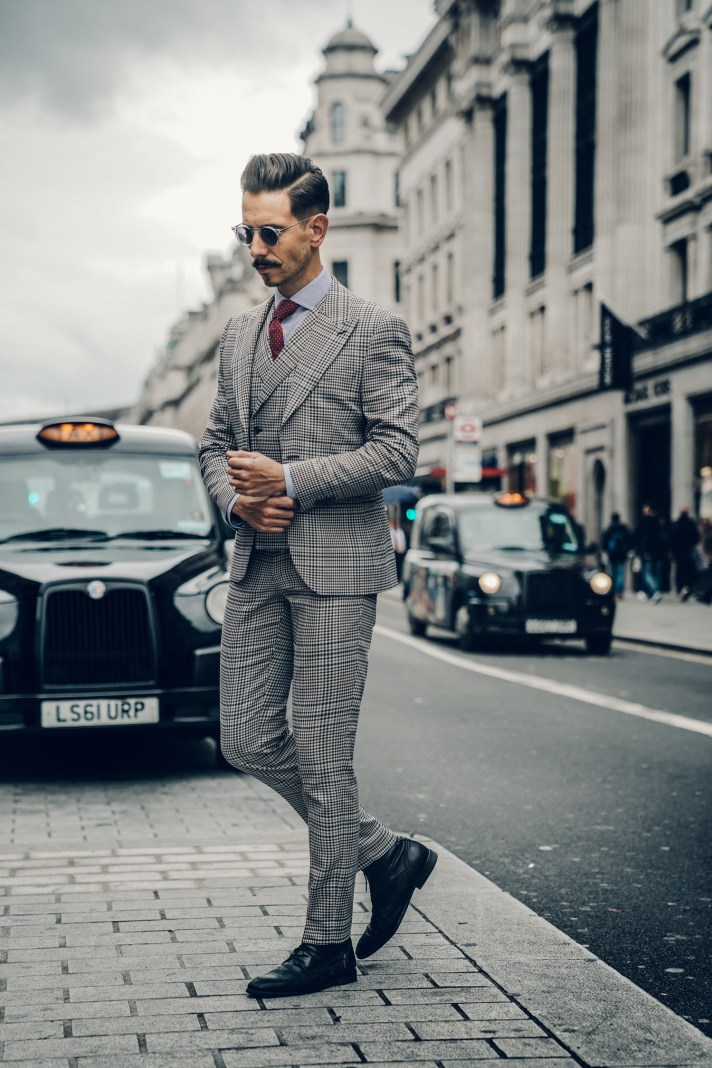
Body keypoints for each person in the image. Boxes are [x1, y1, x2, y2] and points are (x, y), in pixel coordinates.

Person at [199, 153, 436, 1000]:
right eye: (246, 231)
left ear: (316, 229)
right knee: (245, 738)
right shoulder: (236, 334)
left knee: (326, 757)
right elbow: (211, 442)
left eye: (270, 231)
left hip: (337, 567)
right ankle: (386, 854)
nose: (256, 246)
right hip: (258, 563)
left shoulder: (373, 327)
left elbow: (400, 450)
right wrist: (239, 502)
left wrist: (291, 481)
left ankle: (326, 942)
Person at [632, 503, 664, 604]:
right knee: (656, 574)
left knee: (647, 573)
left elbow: (635, 537)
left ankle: (655, 591)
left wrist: (636, 549)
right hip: (658, 552)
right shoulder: (657, 522)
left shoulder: (643, 522)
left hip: (647, 551)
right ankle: (654, 592)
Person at [670, 505, 700, 600]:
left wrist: (672, 550)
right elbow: (696, 538)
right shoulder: (691, 524)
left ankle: (679, 589)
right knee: (688, 571)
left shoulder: (676, 524)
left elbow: (672, 539)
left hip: (678, 552)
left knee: (679, 571)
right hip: (688, 551)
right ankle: (687, 587)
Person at [601, 511, 631, 600]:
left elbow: (604, 541)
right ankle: (619, 592)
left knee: (613, 574)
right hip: (622, 554)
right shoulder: (624, 528)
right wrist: (627, 550)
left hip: (612, 554)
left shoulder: (609, 528)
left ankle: (613, 592)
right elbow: (629, 540)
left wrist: (606, 551)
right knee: (621, 574)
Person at [388, 512, 407, 581]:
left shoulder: (400, 531)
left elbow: (402, 541)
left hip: (400, 552)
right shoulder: (391, 531)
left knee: (399, 566)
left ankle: (398, 578)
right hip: (393, 551)